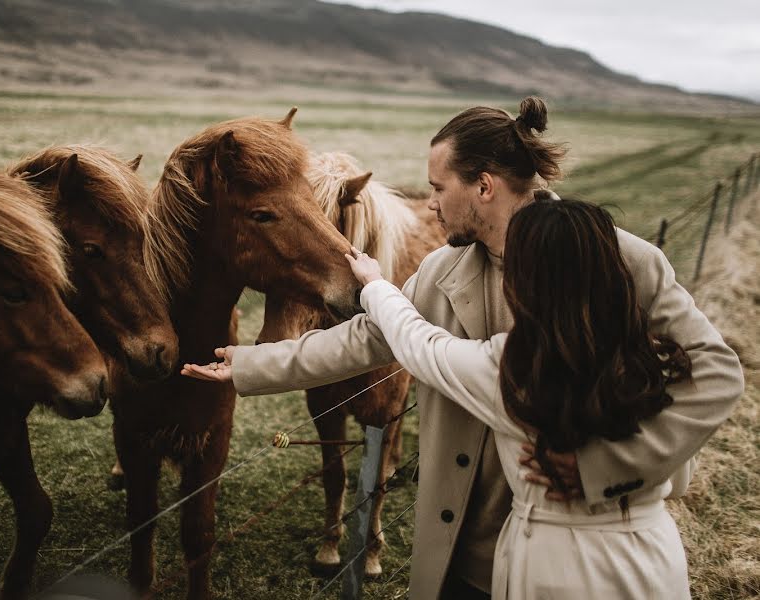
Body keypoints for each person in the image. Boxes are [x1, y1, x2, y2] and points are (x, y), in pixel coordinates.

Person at [182, 98, 744, 599]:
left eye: (437, 189)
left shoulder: (622, 260)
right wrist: (252, 365)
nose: (429, 208)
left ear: (483, 187)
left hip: (584, 543)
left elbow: (716, 373)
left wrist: (608, 467)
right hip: (467, 546)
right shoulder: (443, 269)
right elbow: (370, 339)